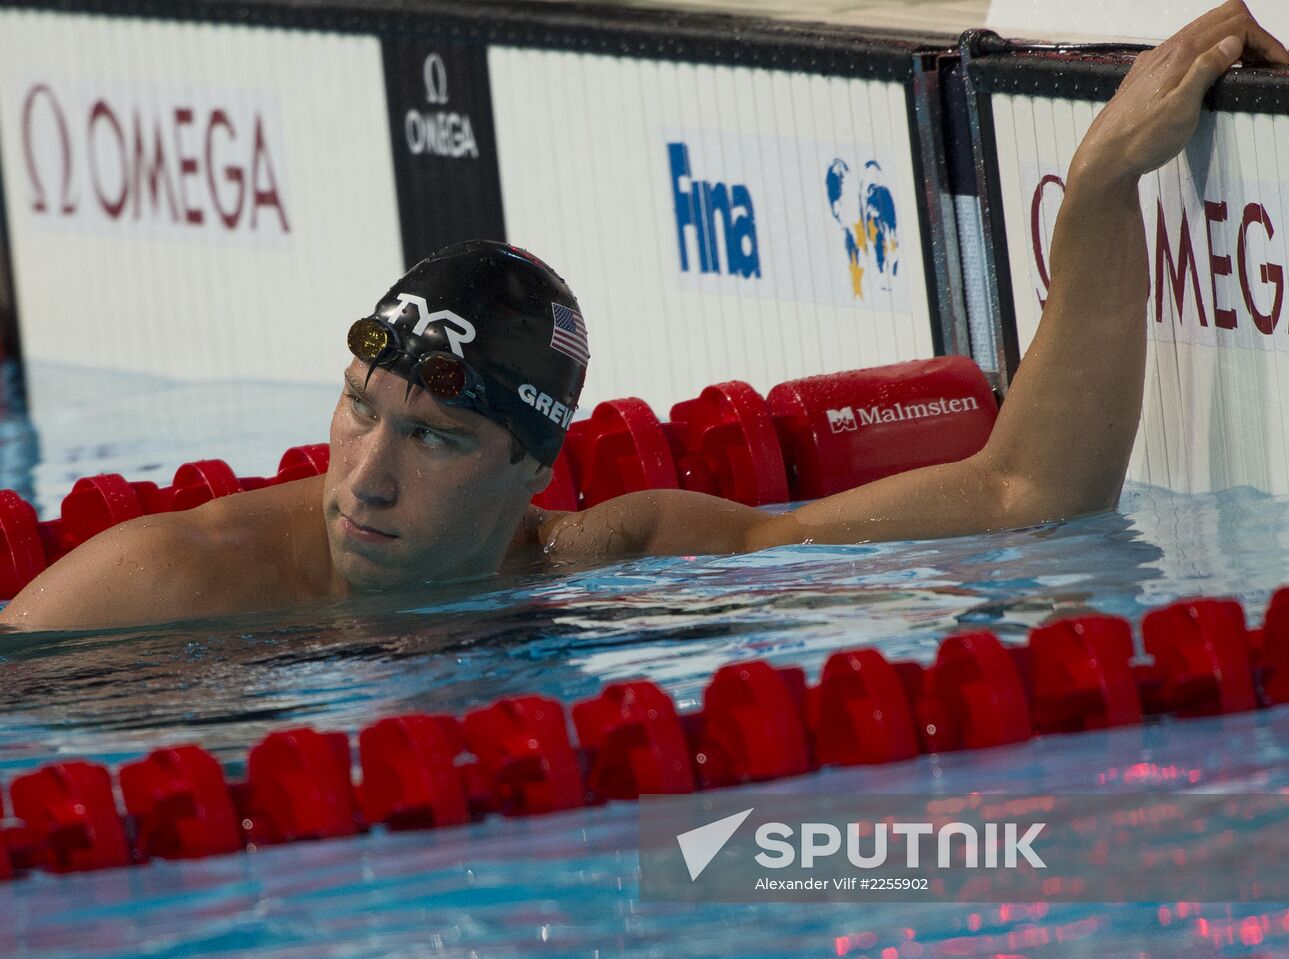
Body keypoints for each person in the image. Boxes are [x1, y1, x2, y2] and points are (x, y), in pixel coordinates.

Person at [1, 1, 1284, 633]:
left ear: (533, 468)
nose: (363, 482)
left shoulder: (608, 556)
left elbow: (1024, 500)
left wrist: (1100, 188)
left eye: (437, 440)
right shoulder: (169, 585)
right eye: (359, 411)